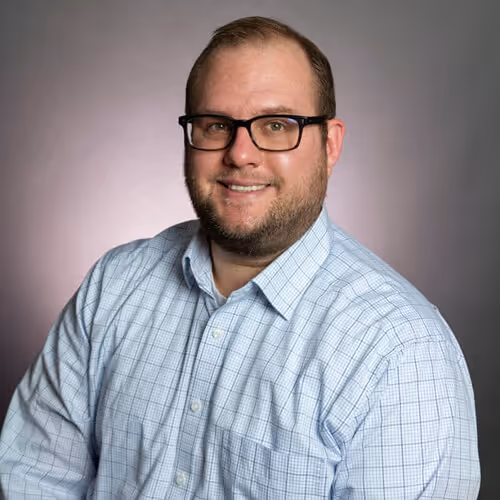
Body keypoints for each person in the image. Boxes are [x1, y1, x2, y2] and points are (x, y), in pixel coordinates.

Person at [0, 16, 480, 499]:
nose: (241, 154)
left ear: (330, 144)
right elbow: (35, 479)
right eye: (216, 125)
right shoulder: (114, 286)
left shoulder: (399, 351)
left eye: (276, 125)